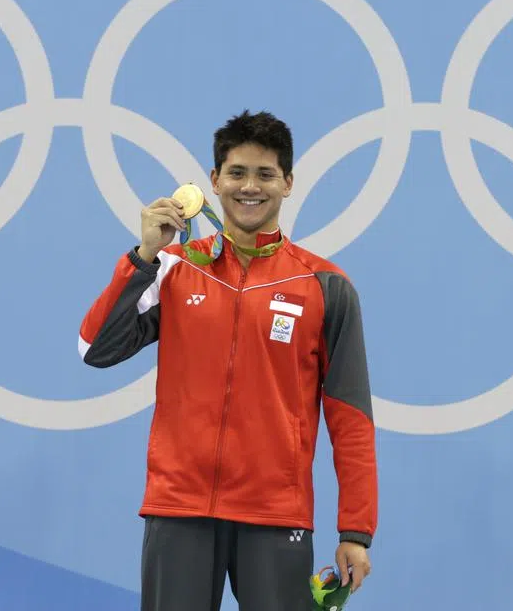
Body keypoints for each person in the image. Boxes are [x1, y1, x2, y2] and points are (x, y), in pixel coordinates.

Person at [79, 110, 377, 610]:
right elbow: (97, 349)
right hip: (179, 509)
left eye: (265, 174)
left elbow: (351, 417)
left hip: (276, 514)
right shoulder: (174, 269)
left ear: (287, 183)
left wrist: (356, 530)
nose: (249, 187)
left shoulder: (324, 287)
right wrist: (143, 256)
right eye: (237, 173)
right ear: (214, 182)